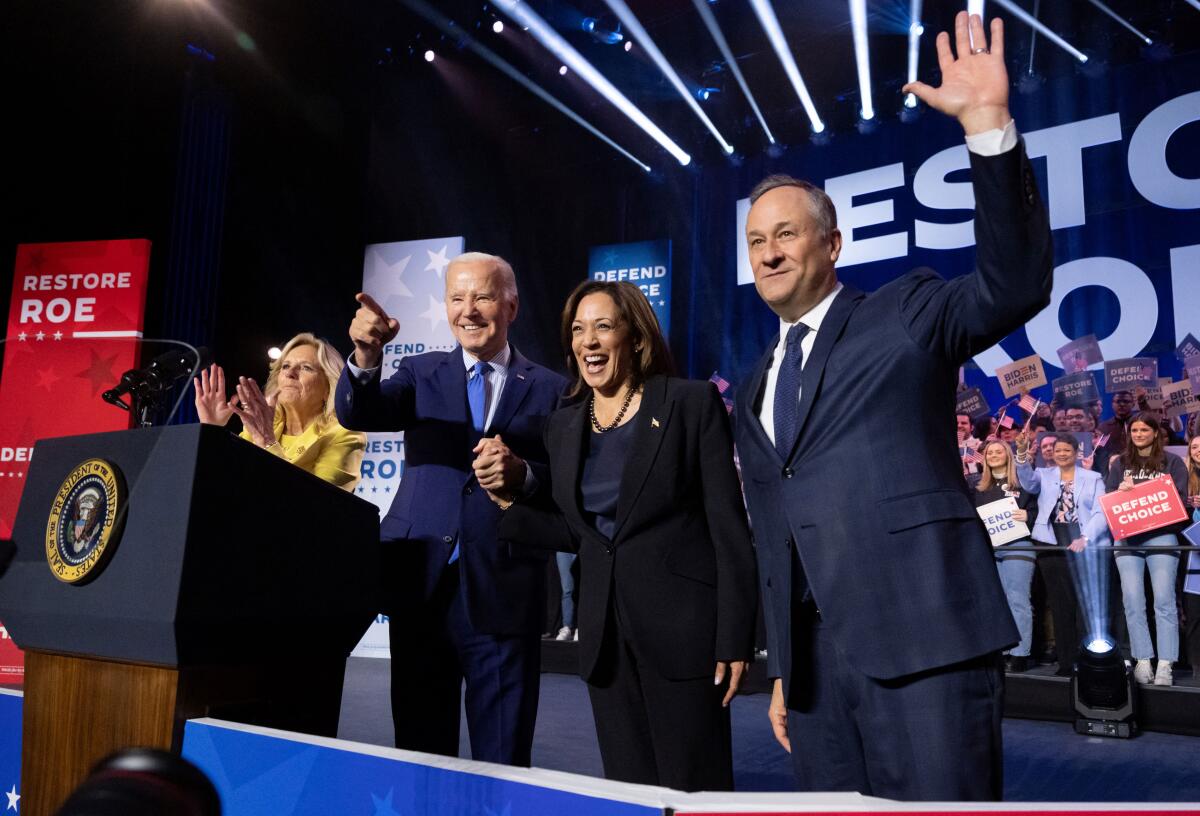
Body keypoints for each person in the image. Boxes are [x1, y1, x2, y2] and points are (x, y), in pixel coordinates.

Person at [734, 13, 1050, 800]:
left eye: (786, 235)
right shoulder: (753, 383)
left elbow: (1012, 286)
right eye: (754, 242)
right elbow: (778, 528)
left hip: (926, 648)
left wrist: (987, 127)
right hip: (811, 676)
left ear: (831, 245)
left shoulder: (903, 312)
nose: (769, 253)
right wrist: (784, 666)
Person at [491, 281, 757, 791]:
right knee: (628, 789)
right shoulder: (564, 426)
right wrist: (509, 502)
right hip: (605, 642)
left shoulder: (688, 402)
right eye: (577, 329)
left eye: (603, 326)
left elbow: (727, 526)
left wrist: (735, 636)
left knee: (693, 789)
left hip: (684, 639)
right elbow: (584, 533)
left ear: (634, 337)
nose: (588, 341)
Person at [334, 252, 566, 766]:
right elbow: (360, 411)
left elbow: (567, 488)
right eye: (457, 298)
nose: (469, 310)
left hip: (505, 592)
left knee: (503, 761)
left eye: (482, 296)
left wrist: (525, 475)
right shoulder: (419, 372)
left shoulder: (552, 389)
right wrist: (367, 357)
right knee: (419, 752)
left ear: (511, 304)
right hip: (421, 590)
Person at [193, 332, 365, 490]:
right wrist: (212, 431)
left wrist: (267, 441)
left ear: (329, 388)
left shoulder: (345, 434)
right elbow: (223, 482)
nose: (290, 373)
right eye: (285, 366)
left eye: (306, 367)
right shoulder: (262, 425)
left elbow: (318, 506)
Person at [1015, 432, 1110, 674]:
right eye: (1058, 450)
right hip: (1051, 542)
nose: (1061, 454)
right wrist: (1023, 453)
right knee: (1059, 604)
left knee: (1084, 604)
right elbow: (1026, 481)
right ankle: (1067, 663)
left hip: (1083, 541)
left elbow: (1101, 512)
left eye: (1066, 450)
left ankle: (1089, 659)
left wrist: (1085, 538)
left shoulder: (1093, 477)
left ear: (1077, 452)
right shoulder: (1044, 475)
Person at [1104, 414, 1188, 686]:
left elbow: (1182, 502)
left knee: (1163, 601)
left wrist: (1144, 493)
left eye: (1144, 430)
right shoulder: (1120, 464)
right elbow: (1108, 501)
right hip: (1128, 539)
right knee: (1132, 601)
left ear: (1156, 433)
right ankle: (1142, 660)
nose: (1139, 434)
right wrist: (1121, 493)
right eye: (1135, 430)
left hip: (1162, 537)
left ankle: (1165, 664)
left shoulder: (1172, 462)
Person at [972, 440, 1038, 672]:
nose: (994, 455)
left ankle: (1020, 653)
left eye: (999, 451)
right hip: (990, 549)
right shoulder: (978, 486)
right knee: (997, 601)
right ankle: (1003, 650)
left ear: (1007, 454)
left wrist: (1028, 515)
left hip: (1018, 544)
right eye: (990, 452)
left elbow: (1039, 508)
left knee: (1018, 600)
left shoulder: (1022, 482)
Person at [1183, 436, 1200, 673]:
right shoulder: (1187, 479)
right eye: (1194, 447)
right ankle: (1197, 663)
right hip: (1195, 551)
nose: (1198, 450)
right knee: (1195, 611)